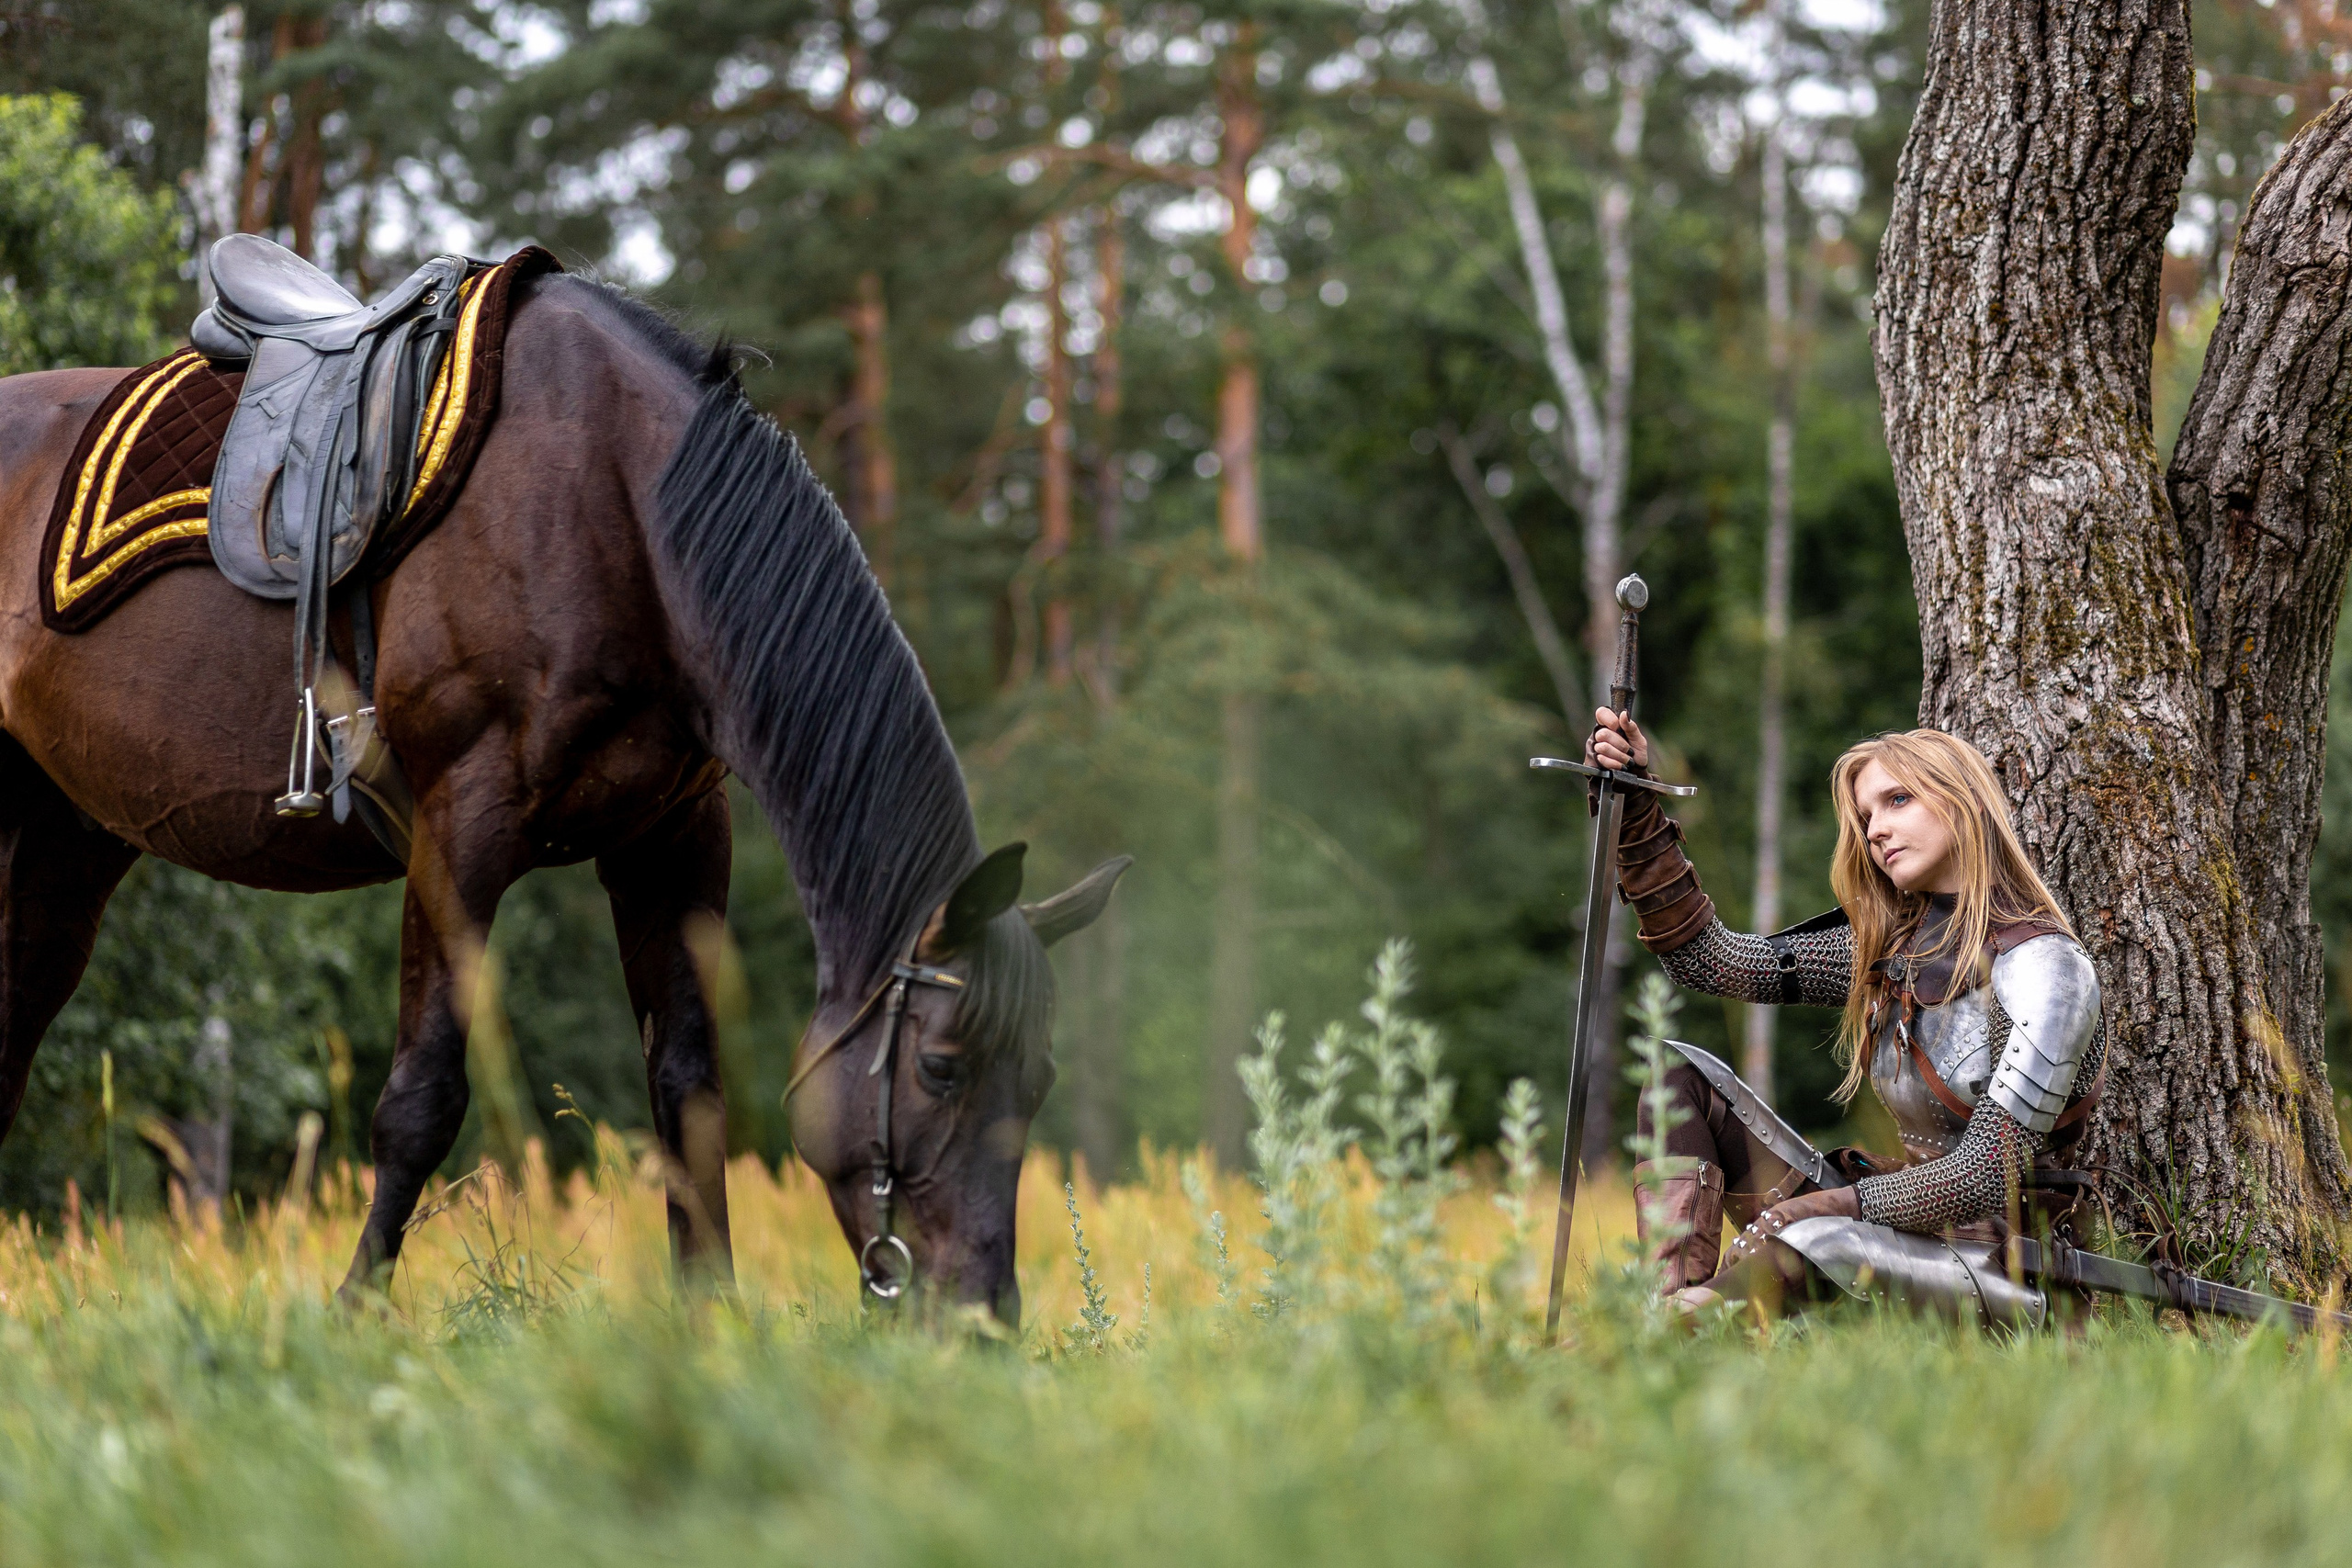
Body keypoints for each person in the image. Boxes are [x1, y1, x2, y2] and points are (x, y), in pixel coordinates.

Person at [1587, 710, 2105, 1308]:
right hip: (1896, 1228)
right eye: (1866, 816)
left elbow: (1984, 1176)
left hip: (2006, 1267)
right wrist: (1637, 812)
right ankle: (1671, 1312)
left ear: (1963, 802)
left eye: (1898, 800)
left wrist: (1822, 1207)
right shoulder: (1896, 952)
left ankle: (1693, 1321)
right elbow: (1710, 961)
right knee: (1679, 1077)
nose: (1876, 829)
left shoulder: (2045, 968)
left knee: (1823, 1240)